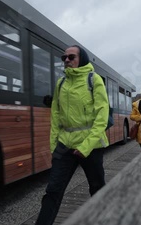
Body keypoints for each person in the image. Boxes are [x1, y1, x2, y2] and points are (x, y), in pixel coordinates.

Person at [35, 45, 110, 225]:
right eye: (64, 58)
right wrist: (54, 146)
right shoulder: (61, 83)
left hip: (90, 146)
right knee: (53, 191)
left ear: (81, 59)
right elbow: (56, 116)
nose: (67, 60)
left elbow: (102, 116)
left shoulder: (94, 80)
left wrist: (86, 146)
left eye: (71, 57)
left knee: (97, 189)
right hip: (65, 145)